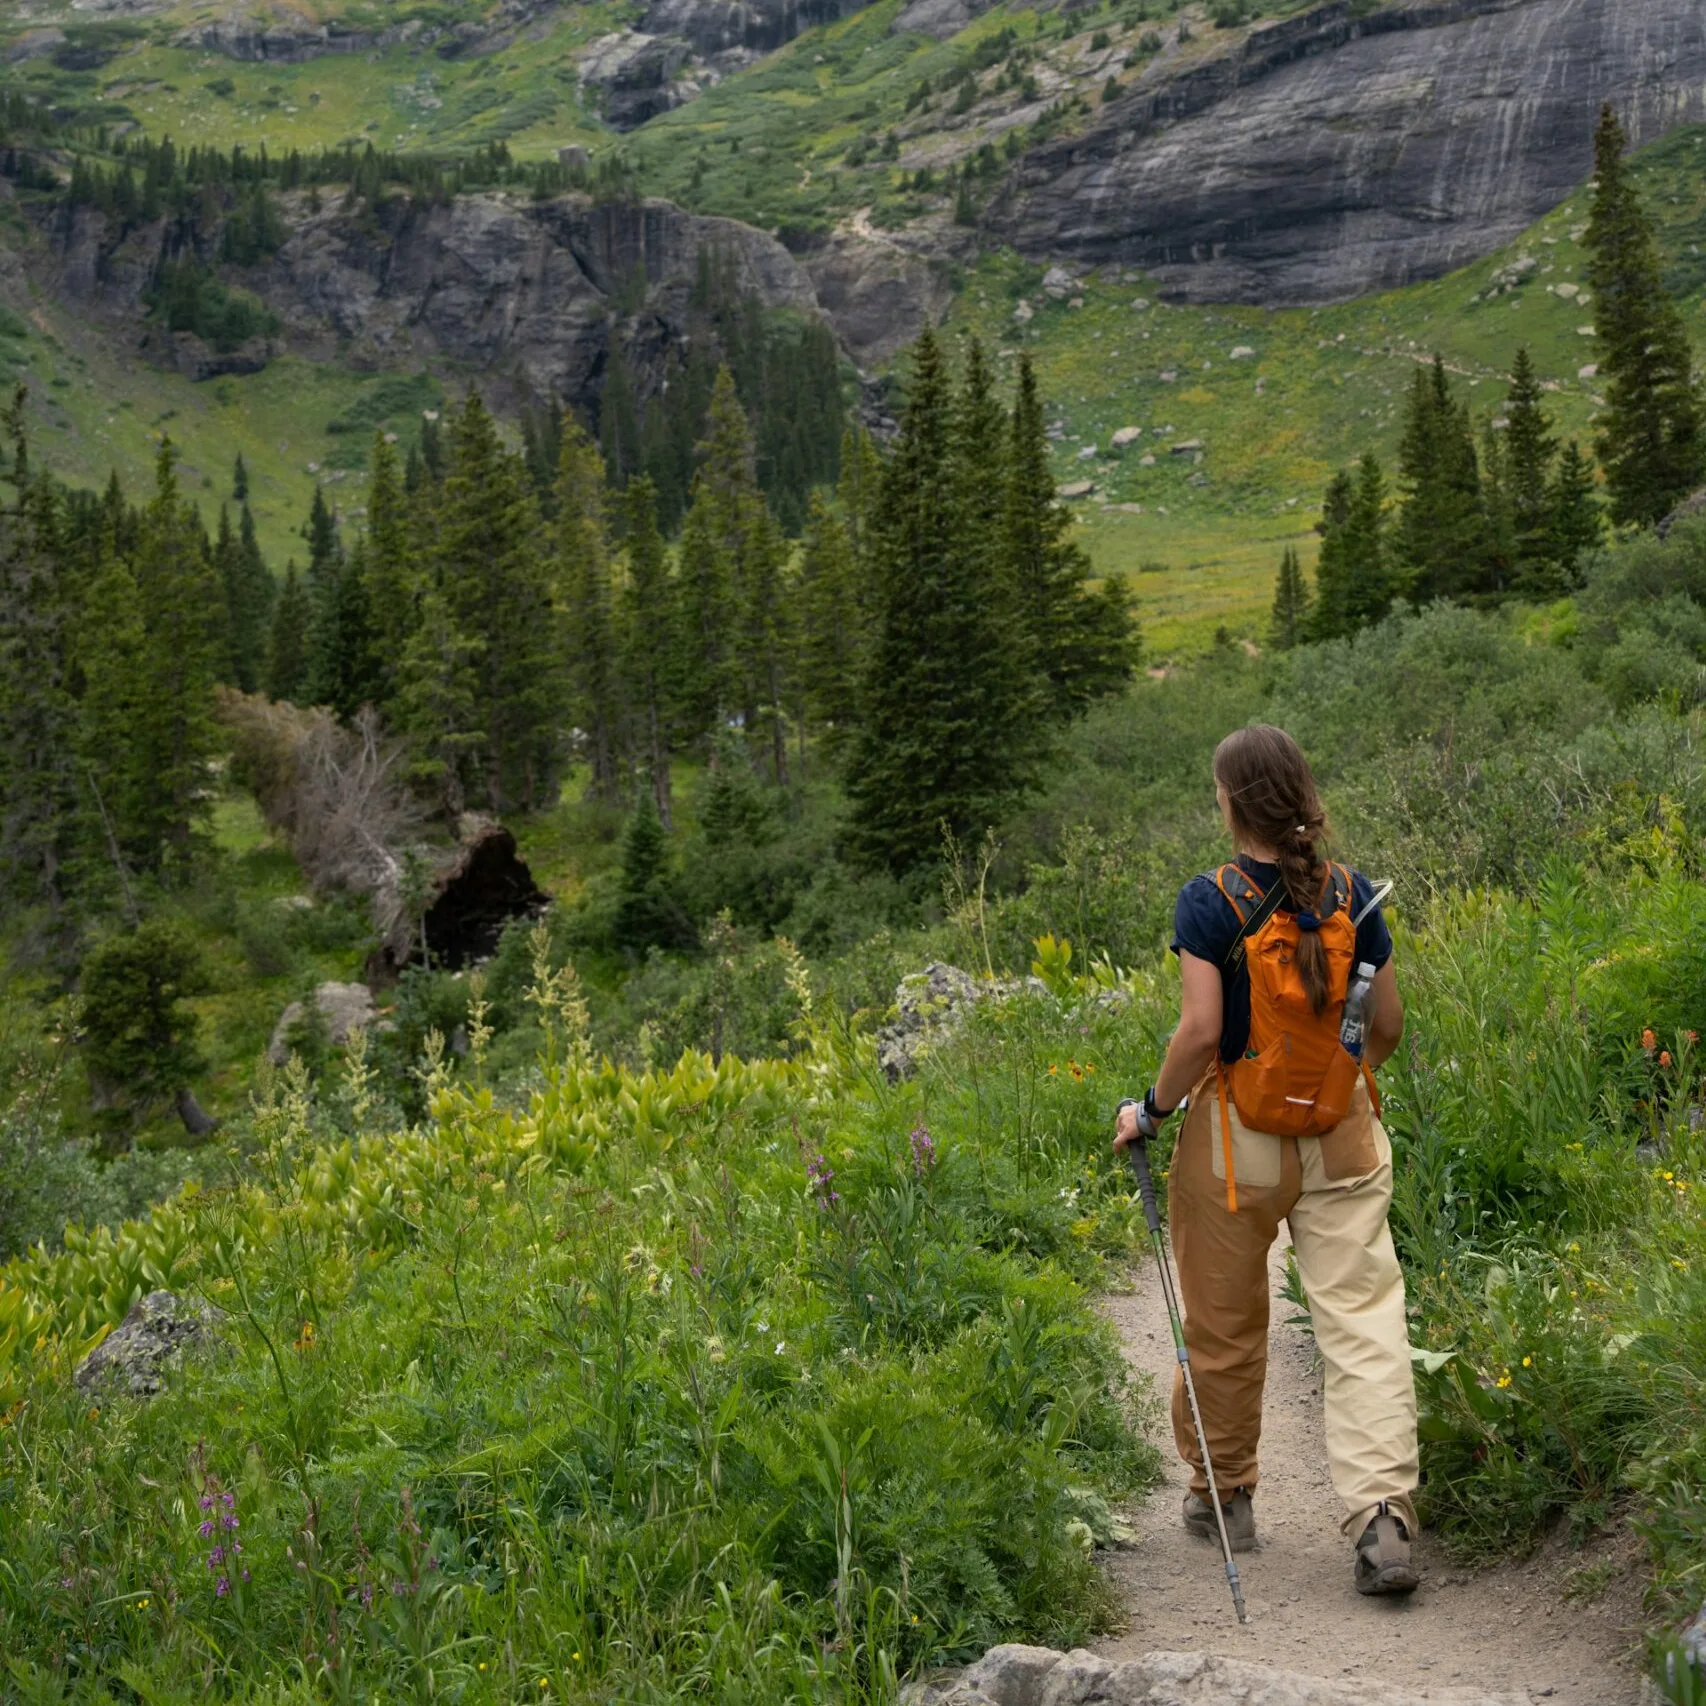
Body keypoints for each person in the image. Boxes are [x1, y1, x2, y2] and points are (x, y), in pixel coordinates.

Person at [1114, 724, 1419, 1596]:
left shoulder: (1207, 901)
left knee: (1223, 1323)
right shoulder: (1355, 895)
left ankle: (1227, 1494)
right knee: (1361, 1323)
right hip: (1343, 1134)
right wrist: (1331, 1078)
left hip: (1232, 1143)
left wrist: (1153, 1109)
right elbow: (1386, 1028)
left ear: (1232, 802)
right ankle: (1383, 1521)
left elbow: (1203, 1031)